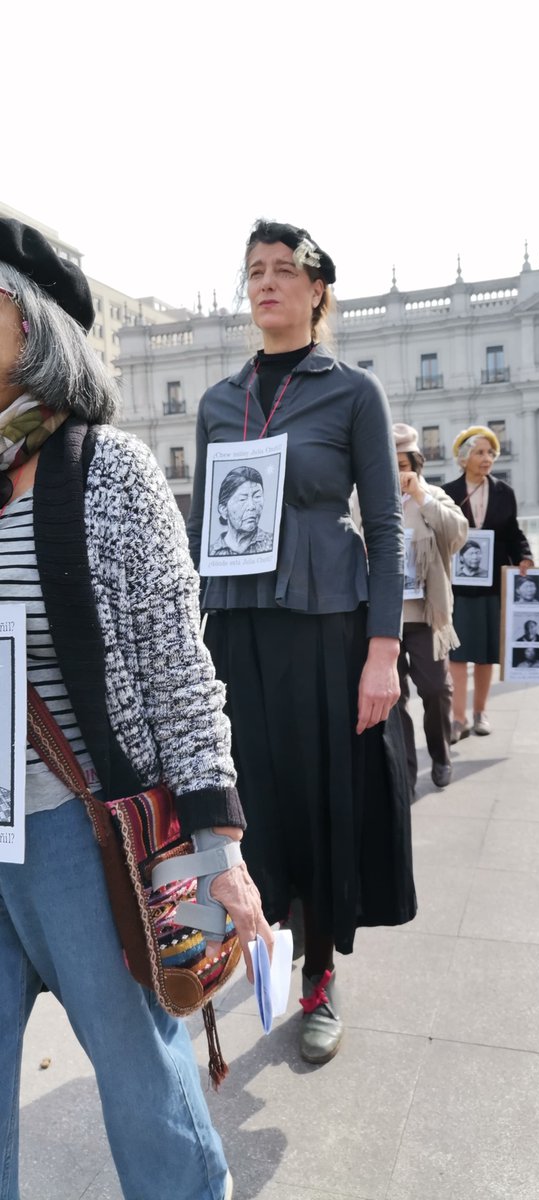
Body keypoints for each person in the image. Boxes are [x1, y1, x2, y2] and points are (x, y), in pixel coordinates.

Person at [0, 218, 275, 1200]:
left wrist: (218, 856)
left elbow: (176, 668)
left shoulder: (107, 472)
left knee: (142, 1085)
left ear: (35, 326)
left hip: (84, 840)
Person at [187, 219, 416, 1066]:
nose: (267, 282)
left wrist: (383, 652)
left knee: (323, 799)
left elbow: (386, 532)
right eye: (255, 271)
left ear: (318, 290)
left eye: (286, 270)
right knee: (251, 800)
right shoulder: (218, 402)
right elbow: (204, 524)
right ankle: (255, 942)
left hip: (327, 628)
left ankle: (320, 972)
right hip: (238, 627)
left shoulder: (353, 391)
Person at [443, 426, 534, 741]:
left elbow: (513, 532)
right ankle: (458, 718)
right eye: (480, 452)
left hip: (493, 584)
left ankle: (481, 713)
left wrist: (525, 556)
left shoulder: (503, 492)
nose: (488, 458)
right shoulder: (448, 492)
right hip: (457, 587)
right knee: (457, 654)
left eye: (491, 452)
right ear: (464, 457)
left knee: (485, 652)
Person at [393, 423, 468, 793]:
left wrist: (421, 495)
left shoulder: (432, 496)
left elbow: (457, 535)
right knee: (395, 698)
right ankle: (405, 773)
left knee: (436, 689)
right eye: (388, 463)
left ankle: (440, 755)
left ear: (416, 464)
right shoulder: (364, 500)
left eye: (403, 463)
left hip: (425, 614)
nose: (397, 471)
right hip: (384, 617)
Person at [210, 465, 273, 556]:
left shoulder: (273, 543)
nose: (252, 506)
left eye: (257, 497)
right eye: (242, 499)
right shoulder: (211, 553)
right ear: (223, 510)